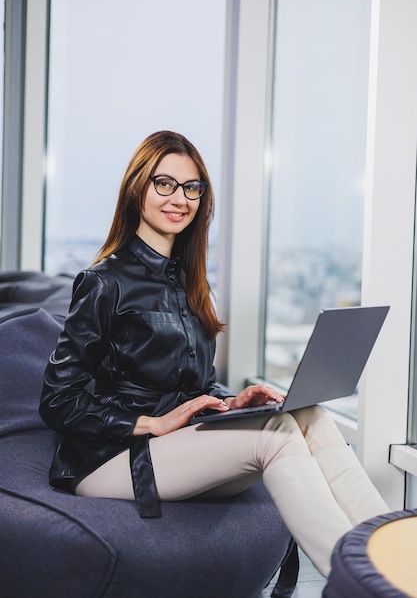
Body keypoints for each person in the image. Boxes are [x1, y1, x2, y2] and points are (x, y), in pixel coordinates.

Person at [39, 130, 389, 578]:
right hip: (109, 458)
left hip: (176, 445)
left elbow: (193, 384)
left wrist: (229, 402)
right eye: (164, 183)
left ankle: (398, 564)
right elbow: (57, 400)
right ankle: (359, 581)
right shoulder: (103, 281)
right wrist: (152, 423)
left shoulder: (192, 284)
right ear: (137, 189)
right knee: (277, 433)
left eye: (192, 187)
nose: (179, 198)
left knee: (311, 417)